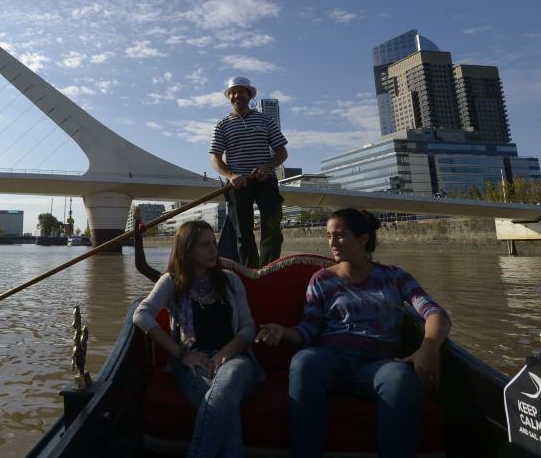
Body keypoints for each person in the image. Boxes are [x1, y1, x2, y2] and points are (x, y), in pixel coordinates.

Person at [256, 208, 450, 458]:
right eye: (328, 236)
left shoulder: (395, 277)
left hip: (378, 366)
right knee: (304, 362)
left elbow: (436, 314)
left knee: (401, 379)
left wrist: (429, 346)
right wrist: (281, 331)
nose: (332, 243)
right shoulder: (322, 280)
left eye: (339, 235)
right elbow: (307, 330)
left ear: (363, 239)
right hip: (332, 360)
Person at [133, 220, 261, 458]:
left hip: (236, 359)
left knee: (228, 379)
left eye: (214, 243)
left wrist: (224, 354)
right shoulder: (171, 282)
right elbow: (141, 315)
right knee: (225, 406)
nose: (214, 250)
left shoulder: (230, 280)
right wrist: (182, 354)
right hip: (193, 361)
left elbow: (248, 328)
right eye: (205, 245)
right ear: (187, 249)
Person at [209, 77, 288, 268]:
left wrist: (267, 166)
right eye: (233, 92)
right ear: (229, 96)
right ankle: (250, 272)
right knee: (243, 234)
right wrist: (231, 176)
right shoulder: (222, 125)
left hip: (265, 180)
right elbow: (215, 158)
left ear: (249, 94)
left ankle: (268, 271)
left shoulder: (265, 120)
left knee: (272, 229)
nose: (237, 95)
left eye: (241, 92)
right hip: (238, 183)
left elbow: (282, 152)